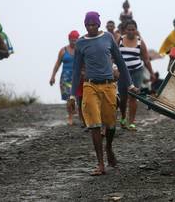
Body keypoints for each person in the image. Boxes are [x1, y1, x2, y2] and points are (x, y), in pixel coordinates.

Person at [69, 11, 137, 176]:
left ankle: (109, 148)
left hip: (108, 86)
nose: (90, 27)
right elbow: (77, 70)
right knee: (94, 125)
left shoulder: (108, 38)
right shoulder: (80, 43)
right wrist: (72, 95)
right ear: (85, 25)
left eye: (93, 24)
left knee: (111, 124)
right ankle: (100, 164)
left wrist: (130, 85)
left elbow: (120, 61)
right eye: (87, 25)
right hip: (90, 87)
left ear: (98, 25)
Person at [118, 20, 155, 131]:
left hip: (136, 71)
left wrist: (152, 73)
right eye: (128, 29)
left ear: (136, 30)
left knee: (133, 96)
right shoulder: (119, 40)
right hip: (123, 73)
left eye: (133, 29)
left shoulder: (140, 42)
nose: (130, 31)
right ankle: (124, 117)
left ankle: (132, 122)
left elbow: (146, 59)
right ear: (125, 30)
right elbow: (113, 55)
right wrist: (113, 67)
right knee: (123, 97)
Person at [49, 30, 80, 125]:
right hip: (65, 78)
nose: (73, 42)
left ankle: (80, 115)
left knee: (78, 98)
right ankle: (70, 117)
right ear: (69, 39)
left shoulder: (80, 50)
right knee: (69, 98)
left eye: (75, 40)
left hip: (78, 77)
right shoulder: (63, 51)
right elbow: (57, 64)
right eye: (72, 40)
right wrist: (53, 76)